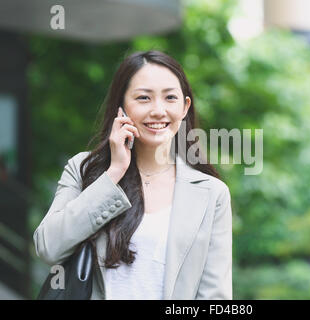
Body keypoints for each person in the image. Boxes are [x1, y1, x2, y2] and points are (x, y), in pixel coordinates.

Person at [33, 50, 232, 300]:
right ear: (122, 107)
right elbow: (49, 248)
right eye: (143, 98)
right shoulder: (84, 169)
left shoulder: (211, 193)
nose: (158, 110)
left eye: (170, 97)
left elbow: (215, 296)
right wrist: (113, 173)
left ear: (185, 107)